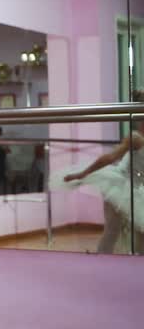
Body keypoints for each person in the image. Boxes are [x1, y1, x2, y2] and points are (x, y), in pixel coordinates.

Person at [57, 90, 144, 254]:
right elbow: (110, 158)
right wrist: (83, 173)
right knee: (113, 229)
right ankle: (102, 261)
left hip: (139, 189)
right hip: (120, 186)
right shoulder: (136, 138)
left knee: (139, 232)